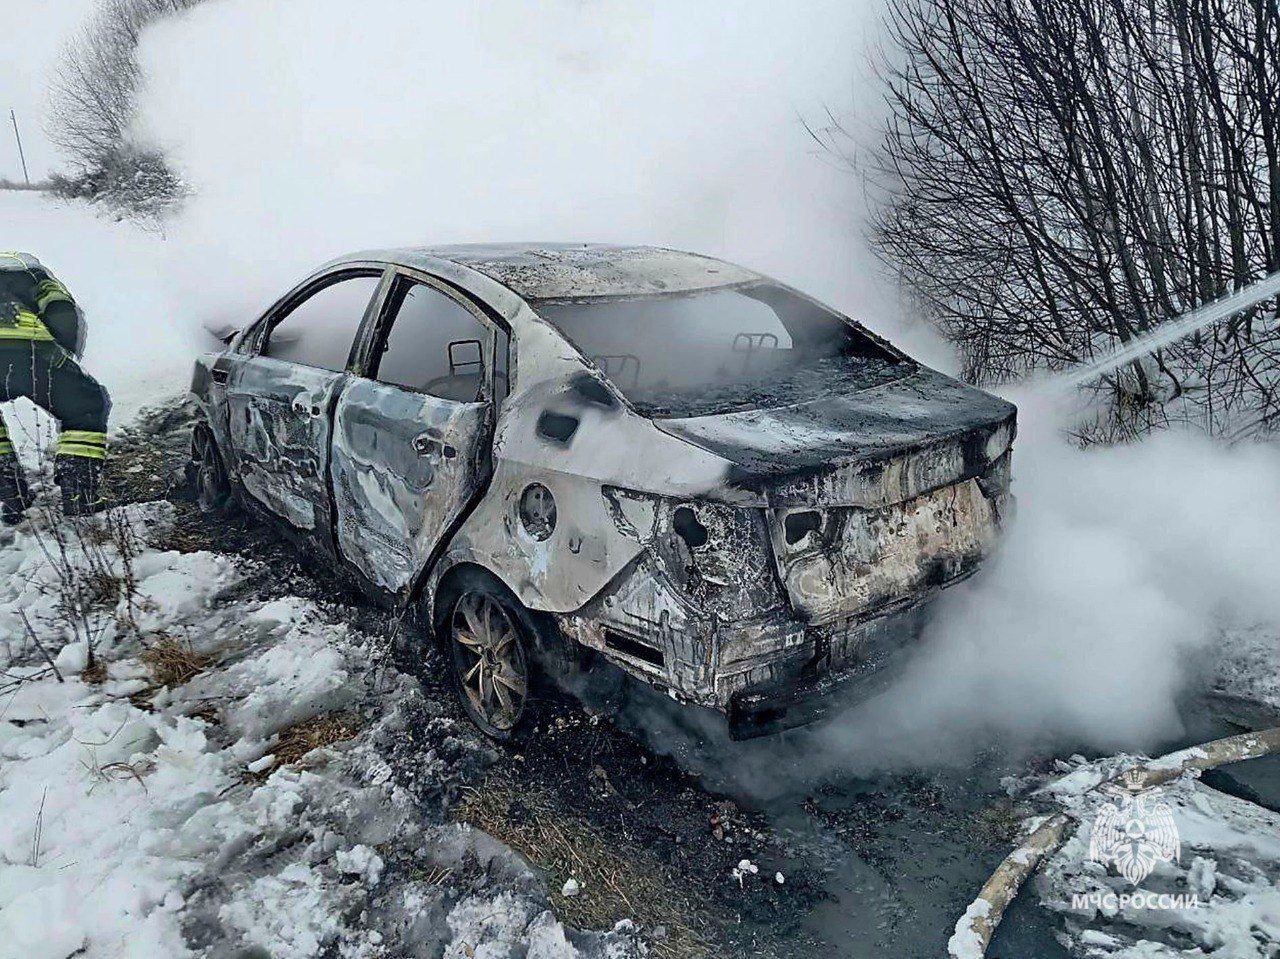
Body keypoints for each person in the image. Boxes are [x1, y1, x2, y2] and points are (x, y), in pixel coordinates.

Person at [0, 252, 111, 522]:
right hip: (31, 351)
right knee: (88, 404)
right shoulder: (35, 275)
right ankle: (78, 494)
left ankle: (11, 494)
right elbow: (61, 309)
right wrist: (65, 353)